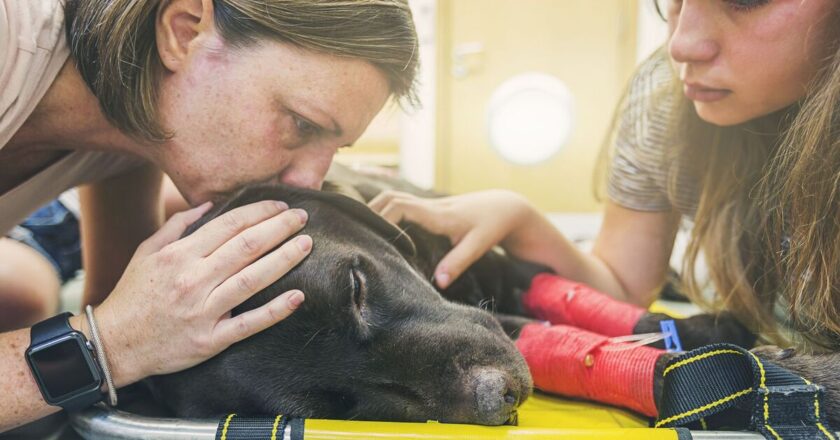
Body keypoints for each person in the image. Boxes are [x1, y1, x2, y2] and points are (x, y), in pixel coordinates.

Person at [0, 0, 417, 431]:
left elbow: (112, 298)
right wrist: (109, 343)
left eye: (334, 149)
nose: (308, 183)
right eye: (302, 124)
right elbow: (114, 332)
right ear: (184, 31)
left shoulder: (136, 139)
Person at [371, 0, 839, 352]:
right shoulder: (665, 100)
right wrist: (519, 217)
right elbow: (622, 289)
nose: (681, 43)